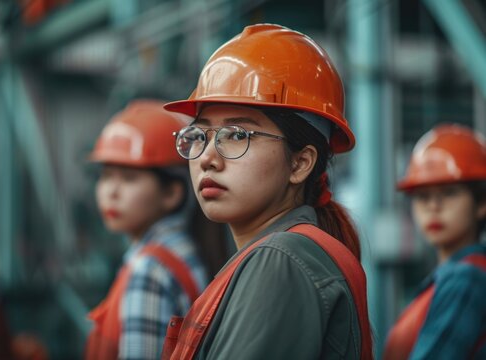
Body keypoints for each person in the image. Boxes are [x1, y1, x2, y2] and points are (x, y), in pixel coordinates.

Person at [161, 23, 373, 359]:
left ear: (300, 163)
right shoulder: (282, 256)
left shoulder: (280, 260)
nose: (208, 158)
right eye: (200, 135)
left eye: (238, 135)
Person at [84, 99, 209, 360]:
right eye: (106, 176)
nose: (112, 192)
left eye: (129, 178)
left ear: (172, 193)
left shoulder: (149, 271)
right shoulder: (183, 248)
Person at [383, 124, 486, 360]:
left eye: (449, 193)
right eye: (422, 196)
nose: (433, 207)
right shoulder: (450, 277)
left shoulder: (467, 279)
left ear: (481, 203)